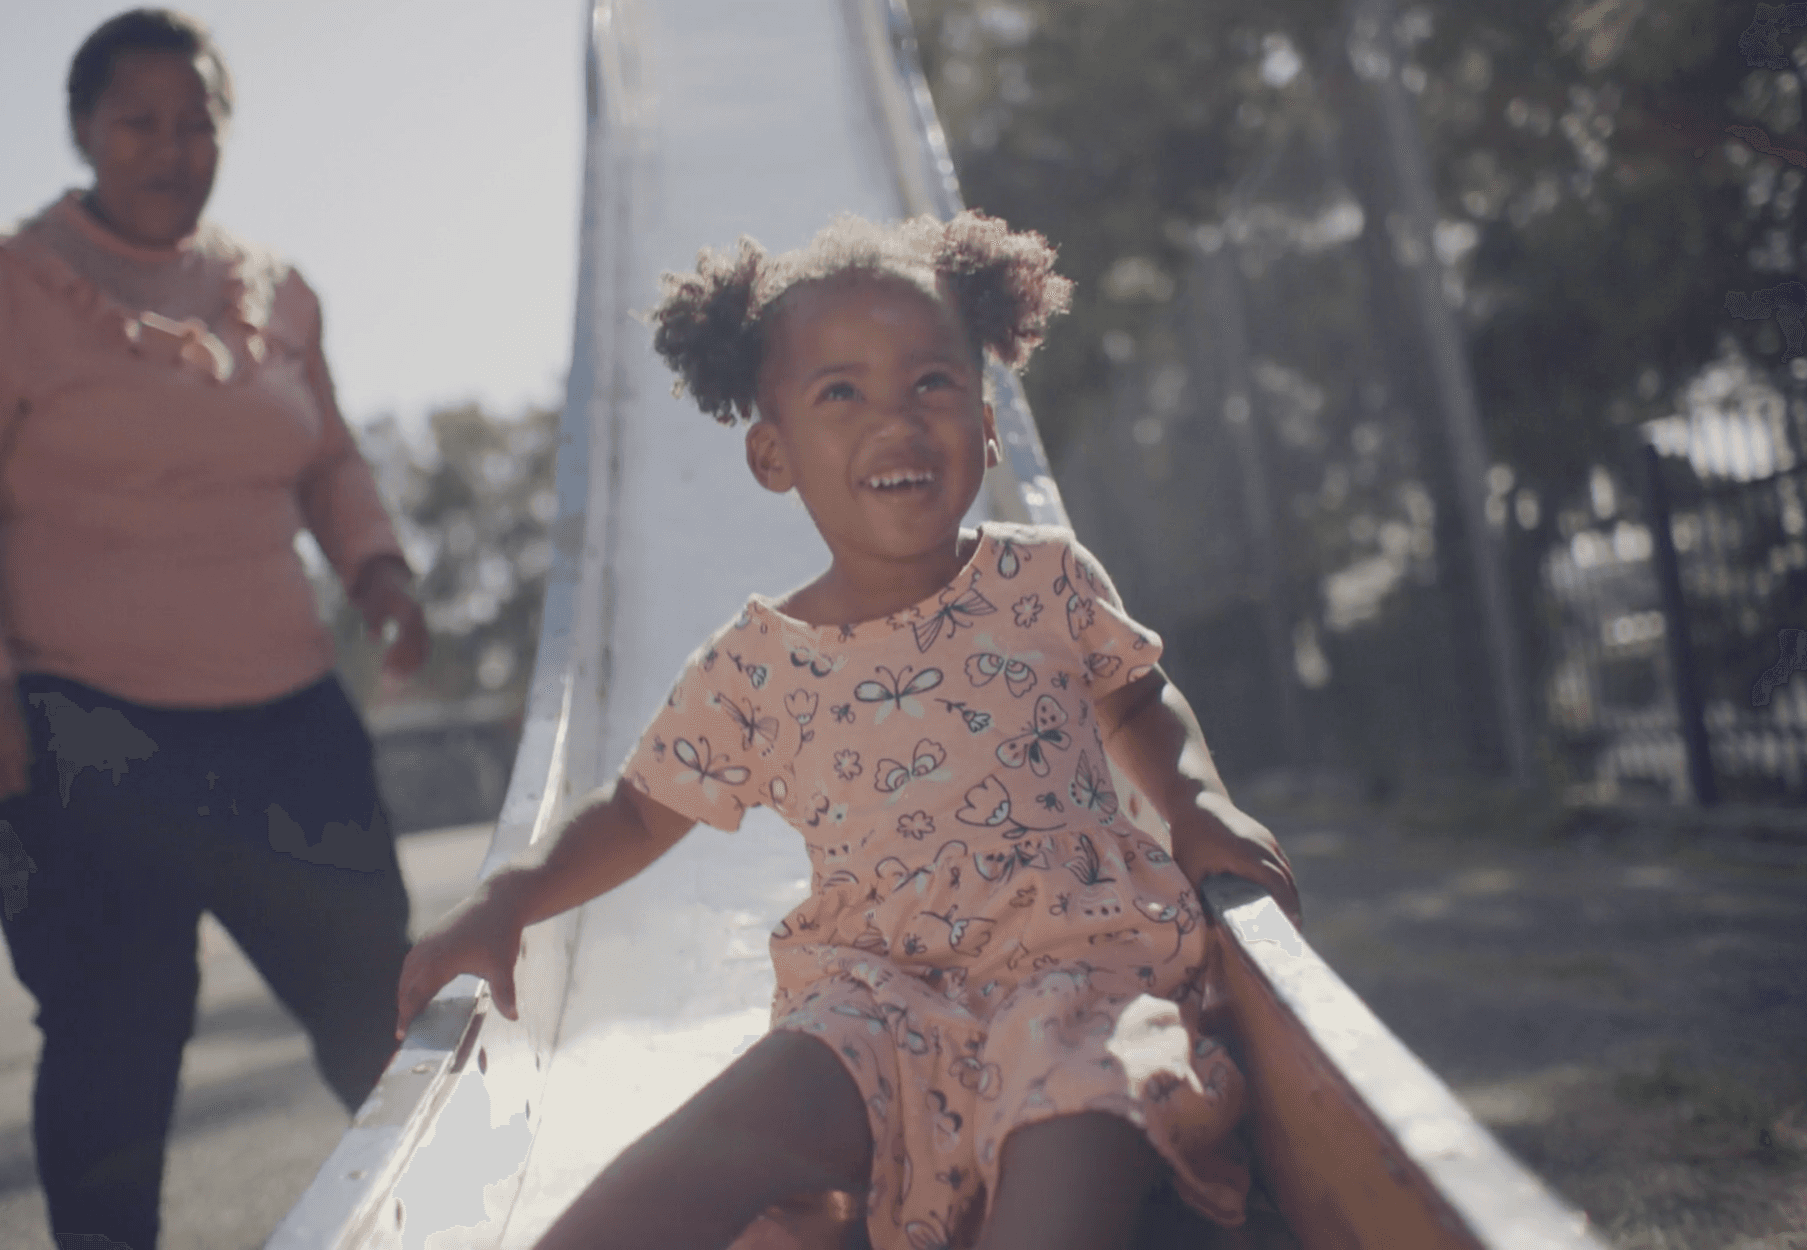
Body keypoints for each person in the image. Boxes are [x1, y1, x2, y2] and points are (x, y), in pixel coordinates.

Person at [396, 212, 1300, 1250]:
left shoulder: (1042, 576)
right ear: (771, 453)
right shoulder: (757, 661)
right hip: (875, 993)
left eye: (932, 383)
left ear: (988, 418)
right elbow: (639, 812)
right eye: (841, 392)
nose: (896, 419)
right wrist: (512, 895)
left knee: (1085, 1119)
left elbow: (1136, 698)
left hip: (1078, 968)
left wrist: (1196, 803)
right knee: (719, 1133)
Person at [0, 11, 429, 1250]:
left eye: (198, 122)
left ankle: (466, 1220)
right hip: (72, 730)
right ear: (83, 129)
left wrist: (378, 564)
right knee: (114, 1037)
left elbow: (329, 458)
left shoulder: (278, 293)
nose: (172, 150)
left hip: (285, 718)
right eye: (140, 122)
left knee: (381, 1003)